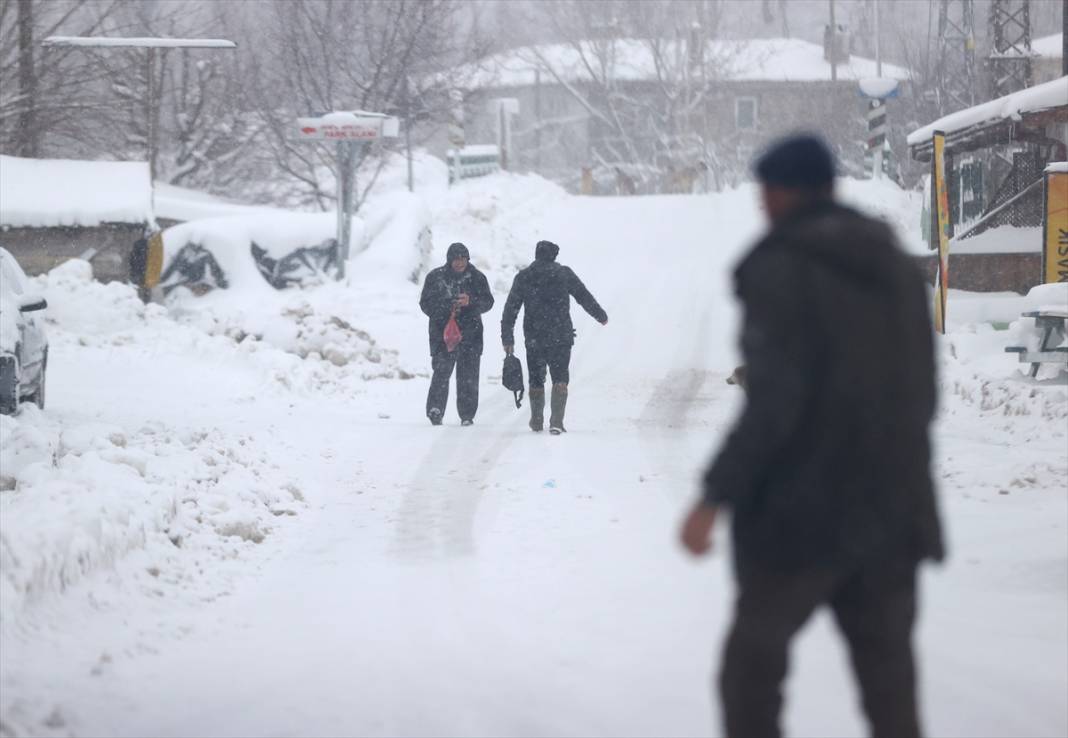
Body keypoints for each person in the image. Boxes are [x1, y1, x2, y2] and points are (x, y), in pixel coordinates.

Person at [679, 135, 944, 738]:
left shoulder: (784, 268)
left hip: (801, 520)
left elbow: (774, 404)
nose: (761, 205)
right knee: (888, 687)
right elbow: (921, 393)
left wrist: (712, 497)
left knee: (750, 675)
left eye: (766, 191)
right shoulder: (894, 265)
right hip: (891, 510)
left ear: (786, 191)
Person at [501, 240, 608, 434]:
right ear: (554, 255)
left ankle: (536, 418)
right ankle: (557, 421)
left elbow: (510, 310)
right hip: (560, 336)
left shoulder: (524, 277)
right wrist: (600, 315)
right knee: (560, 378)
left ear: (536, 254)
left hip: (534, 337)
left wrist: (507, 337)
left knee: (535, 378)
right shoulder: (563, 274)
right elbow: (583, 296)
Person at [419, 242, 494, 426]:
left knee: (468, 377)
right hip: (442, 335)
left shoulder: (477, 277)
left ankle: (467, 415)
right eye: (456, 259)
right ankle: (435, 411)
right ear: (449, 260)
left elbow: (488, 302)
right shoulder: (435, 277)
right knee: (441, 372)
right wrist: (446, 307)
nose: (460, 263)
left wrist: (471, 301)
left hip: (471, 334)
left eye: (463, 259)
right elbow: (425, 304)